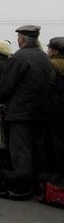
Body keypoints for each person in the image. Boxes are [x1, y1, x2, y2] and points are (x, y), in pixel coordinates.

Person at [0, 25, 56, 195]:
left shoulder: (19, 57)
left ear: (22, 39)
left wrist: (1, 99)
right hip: (41, 111)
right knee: (37, 149)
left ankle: (21, 185)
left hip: (20, 112)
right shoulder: (44, 58)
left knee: (20, 149)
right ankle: (37, 184)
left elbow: (6, 86)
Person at [46, 37, 64, 174]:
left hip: (55, 107)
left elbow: (47, 86)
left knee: (55, 140)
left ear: (55, 51)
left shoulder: (52, 65)